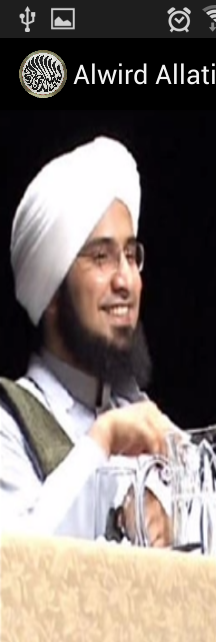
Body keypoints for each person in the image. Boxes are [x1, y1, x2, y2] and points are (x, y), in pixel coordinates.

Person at [0, 136, 178, 546]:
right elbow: (21, 562)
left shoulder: (147, 419)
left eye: (131, 255)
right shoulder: (9, 426)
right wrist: (103, 441)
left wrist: (178, 521)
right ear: (52, 294)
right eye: (101, 258)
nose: (125, 280)